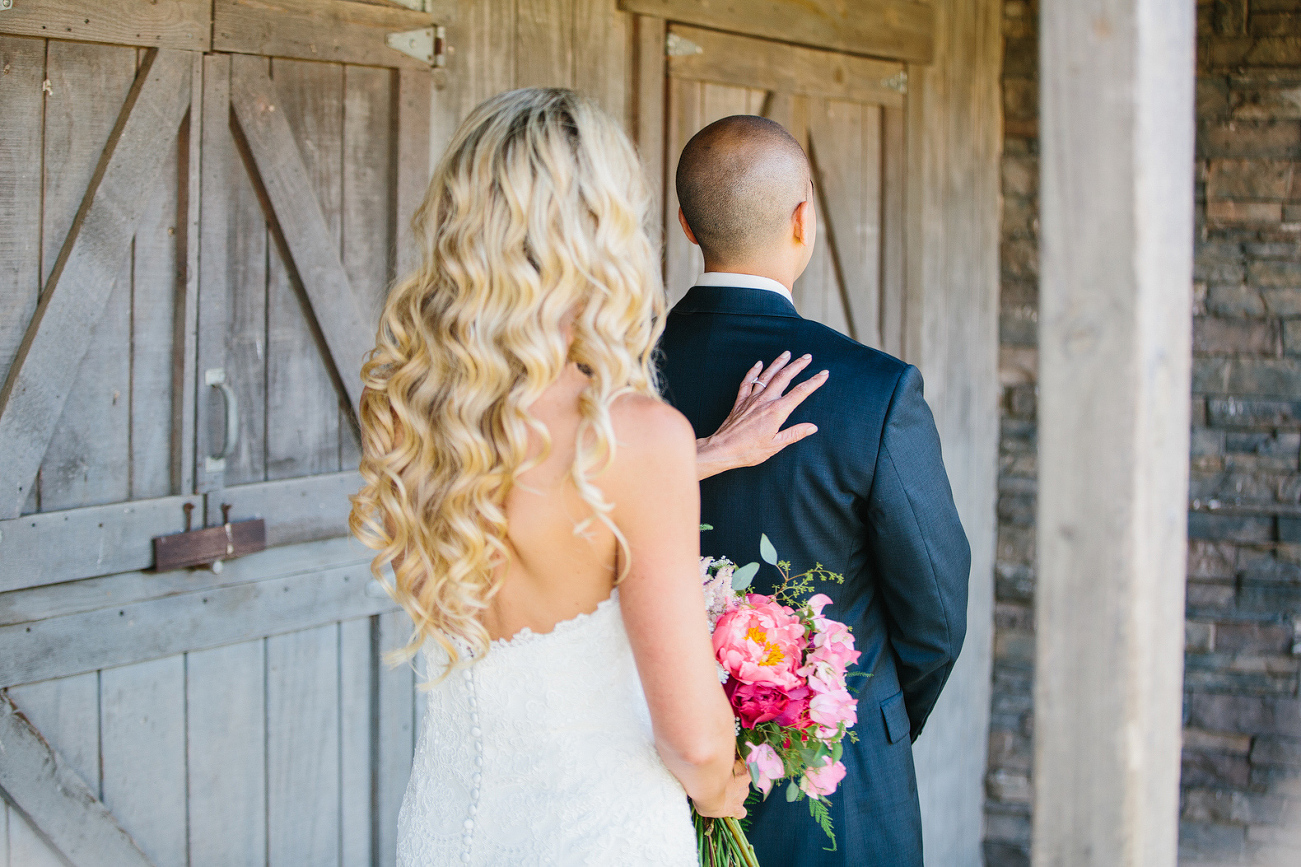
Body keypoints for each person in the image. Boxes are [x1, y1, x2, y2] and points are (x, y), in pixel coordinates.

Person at [349, 90, 823, 865]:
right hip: (595, 834)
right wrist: (720, 787)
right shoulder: (638, 437)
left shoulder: (405, 403)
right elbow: (692, 738)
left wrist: (702, 457)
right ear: (603, 229)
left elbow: (522, 500)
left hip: (444, 829)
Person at [657, 115, 972, 866]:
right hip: (838, 789)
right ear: (804, 219)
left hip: (654, 771)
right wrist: (859, 716)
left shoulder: (617, 378)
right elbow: (935, 611)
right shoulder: (874, 390)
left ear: (684, 225)